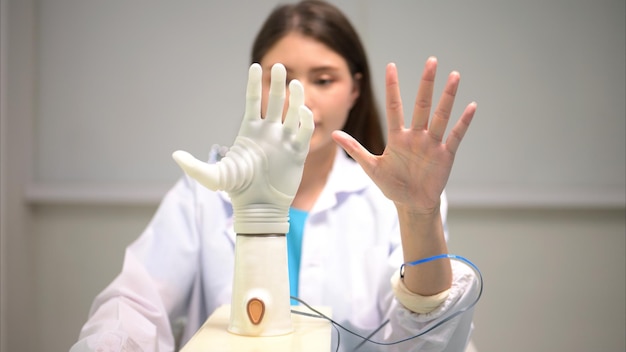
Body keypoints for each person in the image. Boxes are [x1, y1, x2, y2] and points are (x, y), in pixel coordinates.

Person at [70, 1, 480, 351]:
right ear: (256, 84)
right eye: (282, 78)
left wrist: (418, 213)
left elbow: (425, 341)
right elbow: (136, 303)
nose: (301, 97)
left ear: (355, 89)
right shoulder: (207, 194)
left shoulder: (391, 199)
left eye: (323, 79)